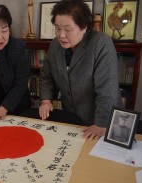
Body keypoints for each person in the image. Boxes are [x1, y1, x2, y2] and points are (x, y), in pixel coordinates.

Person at [39, 0, 122, 140]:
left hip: (100, 120)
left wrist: (101, 124)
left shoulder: (101, 44)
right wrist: (46, 100)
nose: (61, 35)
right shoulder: (55, 44)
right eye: (58, 28)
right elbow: (47, 75)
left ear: (84, 27)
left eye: (68, 29)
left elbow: (107, 90)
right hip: (72, 118)